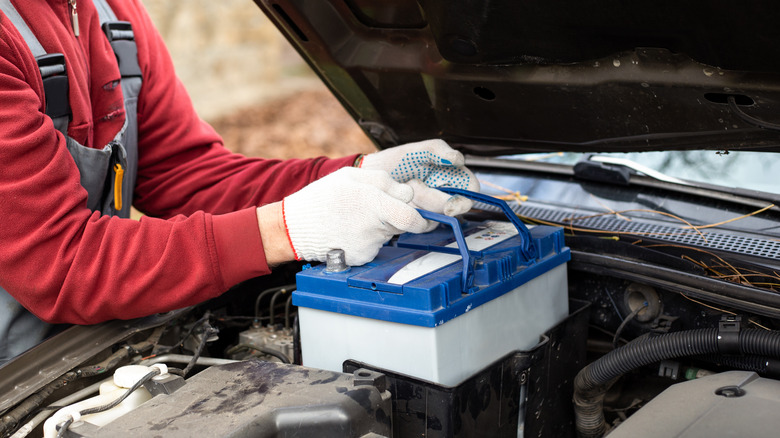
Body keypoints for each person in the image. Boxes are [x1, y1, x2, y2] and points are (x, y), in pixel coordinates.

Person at [0, 0, 478, 362]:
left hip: (89, 344)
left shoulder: (111, 14)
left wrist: (358, 176)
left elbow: (187, 174)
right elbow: (62, 263)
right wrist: (283, 229)